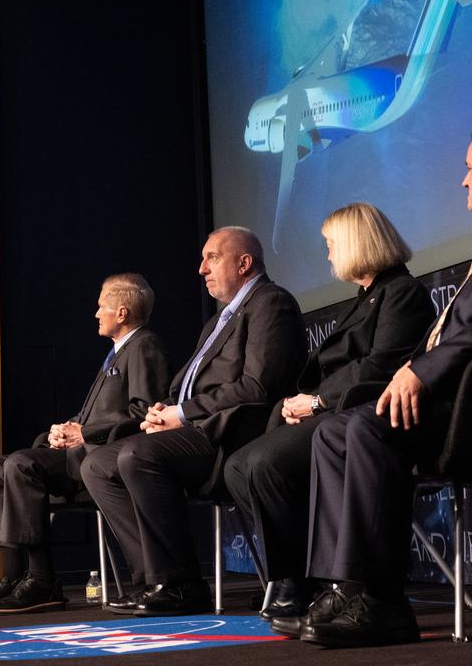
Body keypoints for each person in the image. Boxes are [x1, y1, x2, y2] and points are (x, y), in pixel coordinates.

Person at [276, 114, 472, 647]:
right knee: (336, 430)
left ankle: (381, 601)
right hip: (471, 397)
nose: (462, 180)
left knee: (365, 431)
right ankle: (346, 587)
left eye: (469, 169)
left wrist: (420, 371)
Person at [82, 226, 307, 617]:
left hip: (231, 435)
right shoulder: (220, 319)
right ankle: (154, 578)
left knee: (137, 455)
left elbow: (257, 386)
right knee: (97, 465)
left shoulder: (271, 303)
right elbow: (184, 384)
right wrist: (162, 410)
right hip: (192, 429)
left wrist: (181, 414)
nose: (201, 268)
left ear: (244, 263)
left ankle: (182, 583)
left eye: (212, 258)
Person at [223, 203, 434, 619]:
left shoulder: (402, 294)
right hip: (332, 412)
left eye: (332, 244)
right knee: (238, 467)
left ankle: (301, 582)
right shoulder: (365, 298)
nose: (328, 254)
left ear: (358, 244)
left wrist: (317, 401)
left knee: (264, 463)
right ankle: (295, 575)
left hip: (362, 415)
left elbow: (379, 365)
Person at [0, 274, 169, 614]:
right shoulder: (116, 353)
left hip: (101, 460)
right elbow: (95, 413)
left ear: (123, 312)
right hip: (78, 452)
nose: (95, 314)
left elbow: (142, 413)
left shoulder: (144, 345)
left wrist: (84, 434)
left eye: (102, 307)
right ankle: (13, 578)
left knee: (20, 466)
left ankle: (42, 582)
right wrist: (62, 430)